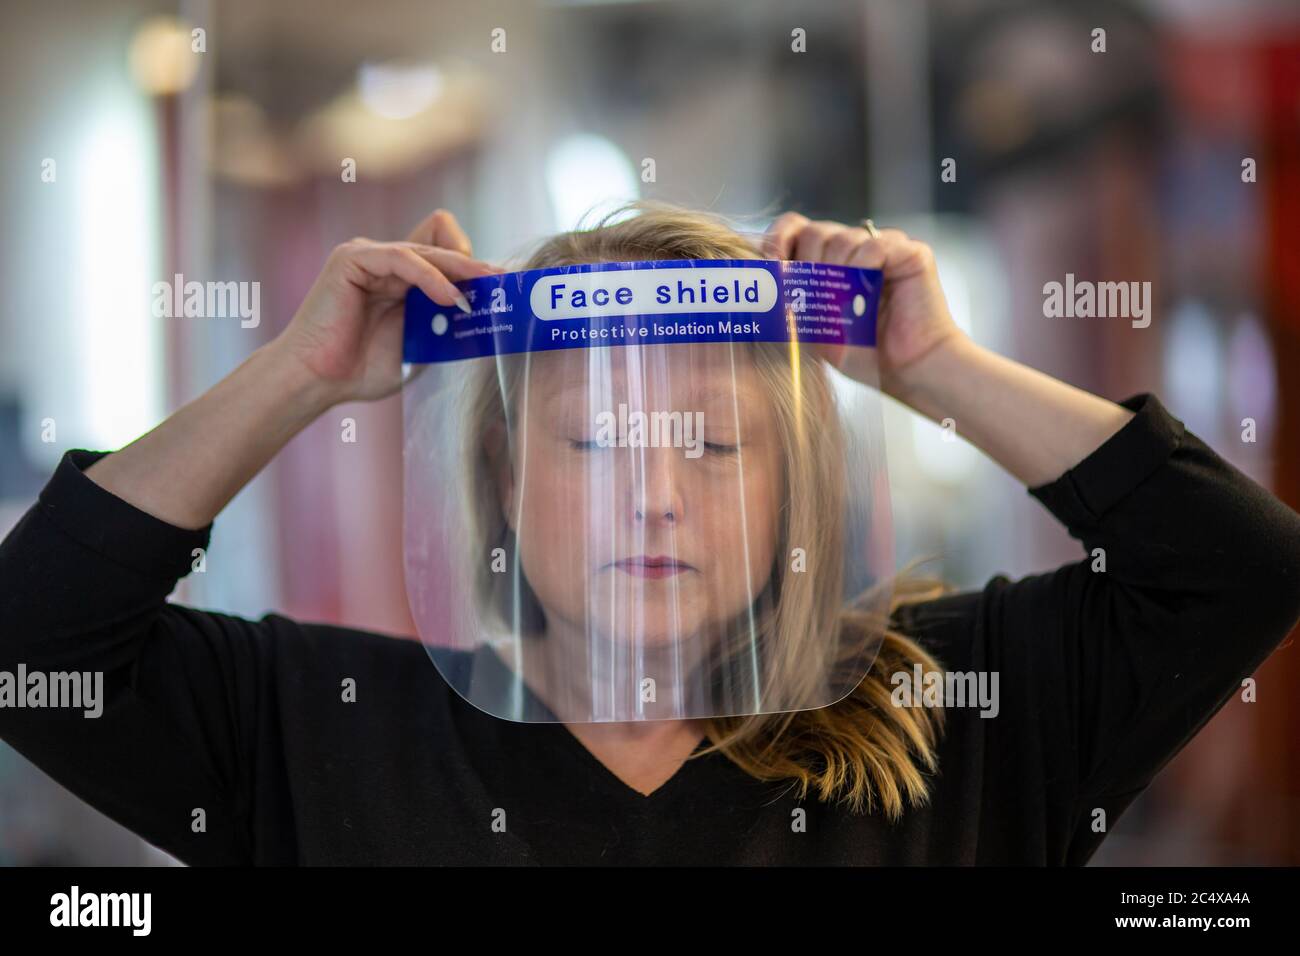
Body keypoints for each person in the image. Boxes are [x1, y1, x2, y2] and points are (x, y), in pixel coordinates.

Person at [2, 201, 1298, 865]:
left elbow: (1239, 573)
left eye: (719, 446)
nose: (656, 493)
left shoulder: (953, 719)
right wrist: (301, 374)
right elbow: (33, 640)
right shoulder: (321, 729)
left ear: (793, 489)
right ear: (504, 481)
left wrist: (937, 366)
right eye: (599, 441)